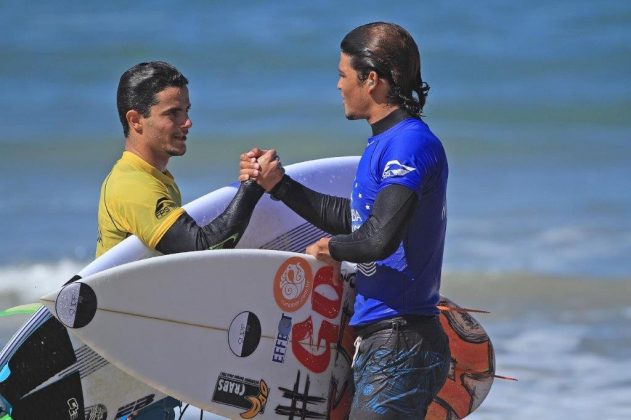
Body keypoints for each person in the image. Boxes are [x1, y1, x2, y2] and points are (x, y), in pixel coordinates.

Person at [240, 22, 450, 418]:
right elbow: (356, 220)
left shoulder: (410, 143)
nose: (338, 86)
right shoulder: (383, 143)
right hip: (388, 341)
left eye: (343, 75)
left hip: (400, 343)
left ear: (371, 80)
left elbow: (378, 237)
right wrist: (280, 186)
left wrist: (330, 247)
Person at [97, 61, 264, 419]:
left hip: (147, 357)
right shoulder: (134, 185)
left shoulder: (156, 178)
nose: (187, 123)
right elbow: (204, 249)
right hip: (126, 366)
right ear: (135, 120)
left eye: (187, 111)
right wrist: (250, 189)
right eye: (173, 113)